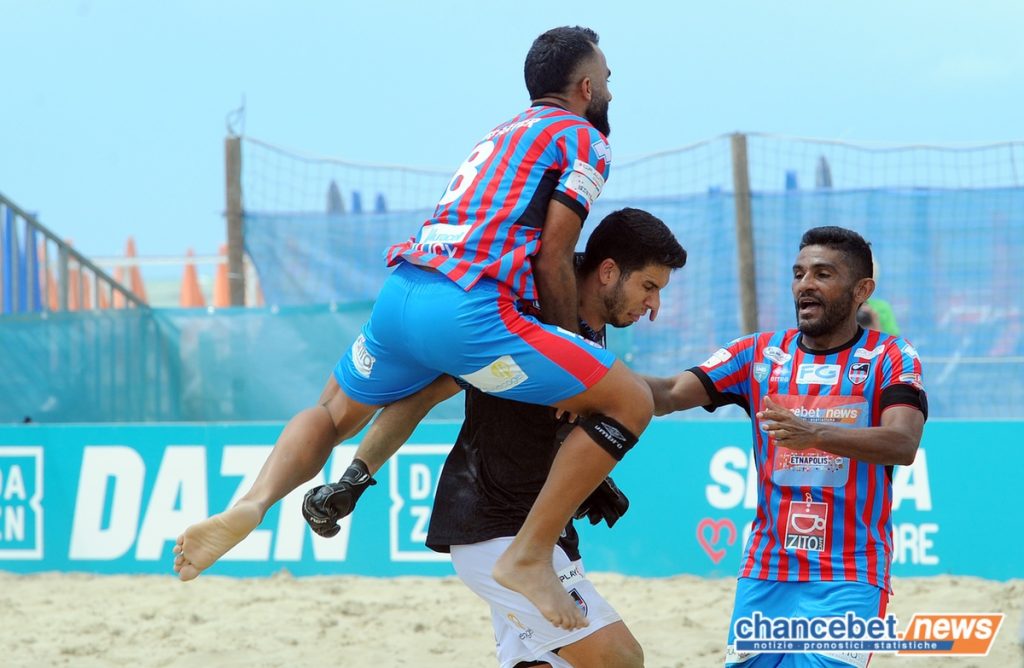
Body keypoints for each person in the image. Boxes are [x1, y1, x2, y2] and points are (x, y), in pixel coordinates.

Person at [175, 26, 654, 631]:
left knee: (331, 412)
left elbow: (428, 388)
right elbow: (554, 253)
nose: (611, 89)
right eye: (607, 80)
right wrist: (573, 359)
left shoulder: (500, 133)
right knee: (628, 398)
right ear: (586, 87)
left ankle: (252, 503)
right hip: (468, 304)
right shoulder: (584, 139)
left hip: (405, 291)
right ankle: (530, 557)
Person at [304, 208, 686, 668]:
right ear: (608, 272)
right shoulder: (524, 321)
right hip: (495, 531)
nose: (654, 306)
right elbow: (420, 396)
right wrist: (355, 477)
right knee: (619, 658)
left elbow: (637, 398)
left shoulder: (589, 338)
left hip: (537, 536)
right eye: (649, 287)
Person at [645, 226, 927, 667]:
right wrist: (588, 375)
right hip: (767, 568)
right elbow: (667, 393)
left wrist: (815, 434)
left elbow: (903, 442)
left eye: (822, 274)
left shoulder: (891, 356)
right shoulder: (756, 354)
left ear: (861, 290)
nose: (805, 285)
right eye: (798, 273)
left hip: (850, 573)